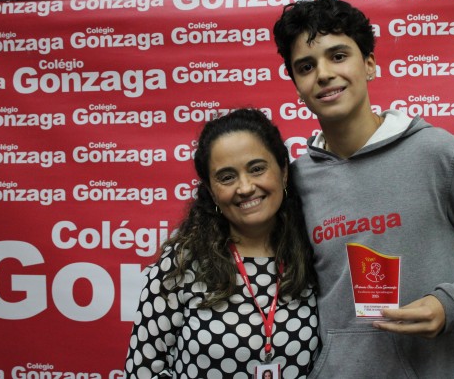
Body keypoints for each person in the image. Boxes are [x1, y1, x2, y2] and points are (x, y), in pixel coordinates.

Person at [273, 0, 454, 378]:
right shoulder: (297, 181)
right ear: (297, 86)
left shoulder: (436, 153)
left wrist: (451, 304)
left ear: (369, 64)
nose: (323, 74)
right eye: (306, 67)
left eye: (338, 56)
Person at [124, 108, 320, 379]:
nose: (245, 187)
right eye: (227, 177)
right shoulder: (181, 263)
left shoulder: (312, 253)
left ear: (283, 171)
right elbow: (142, 371)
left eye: (257, 169)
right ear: (211, 191)